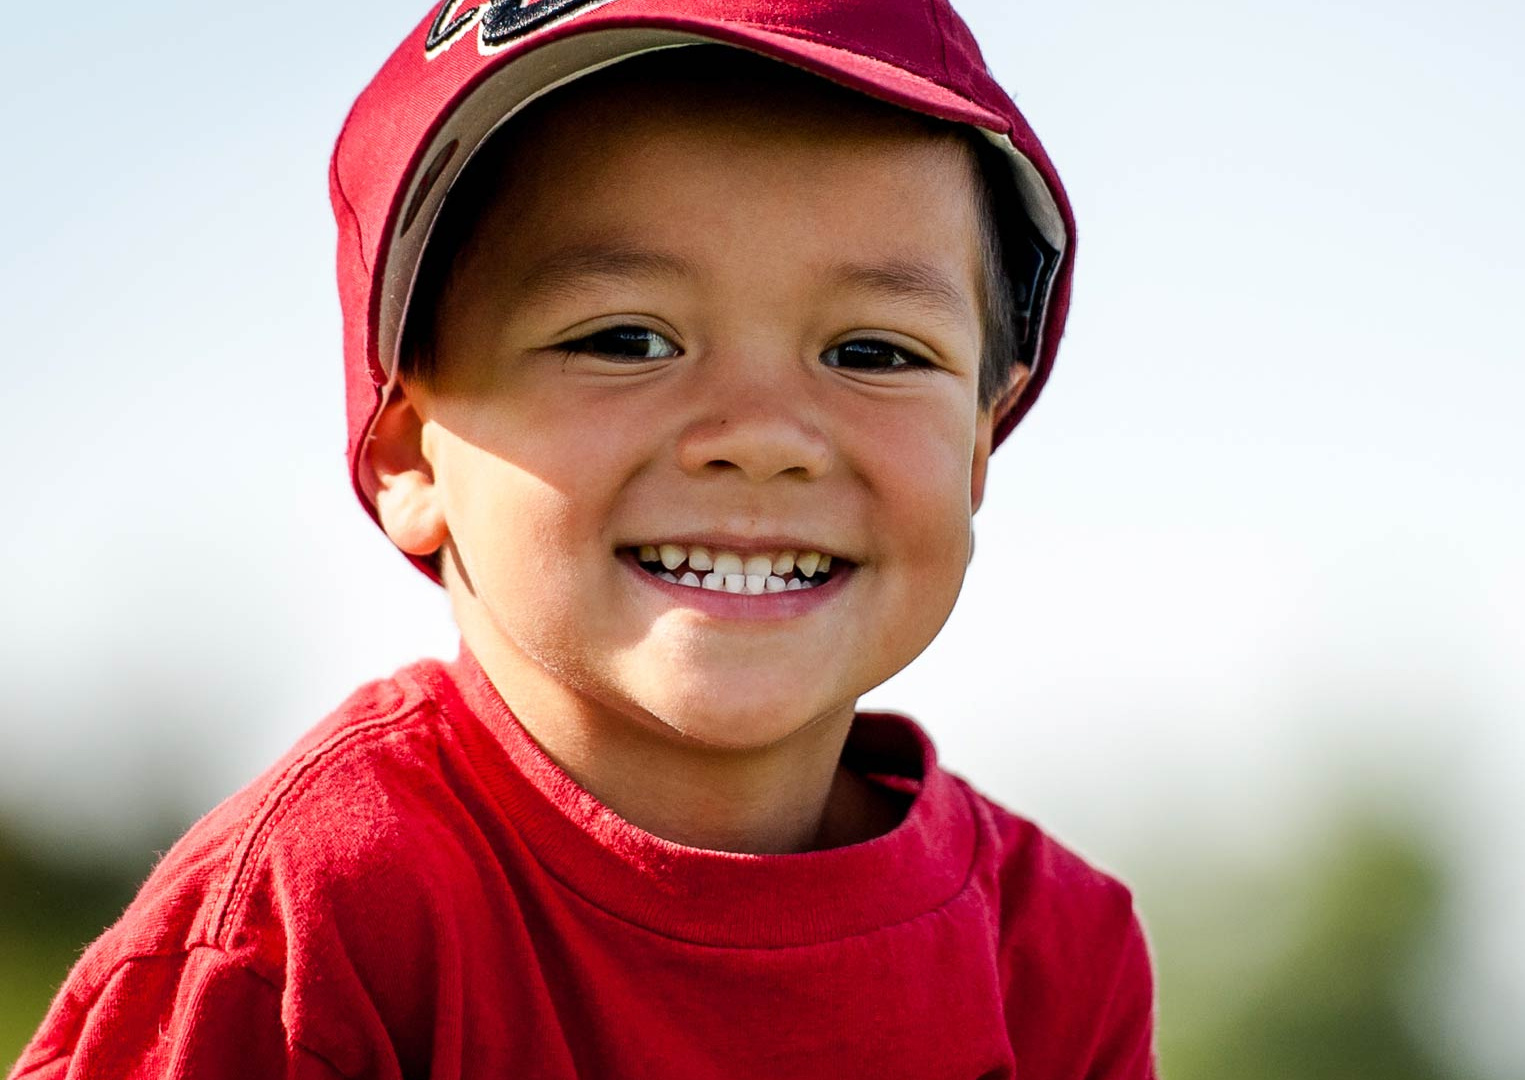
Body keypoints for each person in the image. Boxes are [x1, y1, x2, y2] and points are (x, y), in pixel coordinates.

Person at [9, 1, 1155, 1076]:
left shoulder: (1053, 955)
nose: (762, 438)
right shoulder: (307, 928)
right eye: (625, 338)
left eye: (874, 353)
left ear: (974, 455)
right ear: (410, 455)